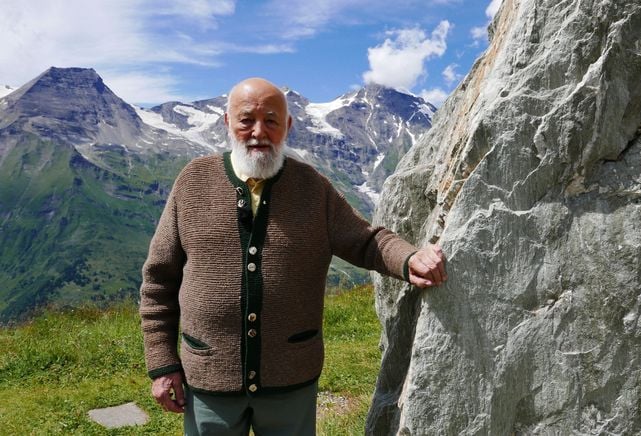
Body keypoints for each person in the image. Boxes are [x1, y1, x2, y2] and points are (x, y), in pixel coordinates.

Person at [139, 77, 447, 435]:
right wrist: (162, 364)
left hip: (291, 380)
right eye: (246, 120)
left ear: (288, 126)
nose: (259, 132)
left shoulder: (312, 188)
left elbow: (366, 241)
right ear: (226, 123)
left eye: (271, 120)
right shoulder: (192, 182)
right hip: (209, 378)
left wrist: (410, 259)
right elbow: (159, 281)